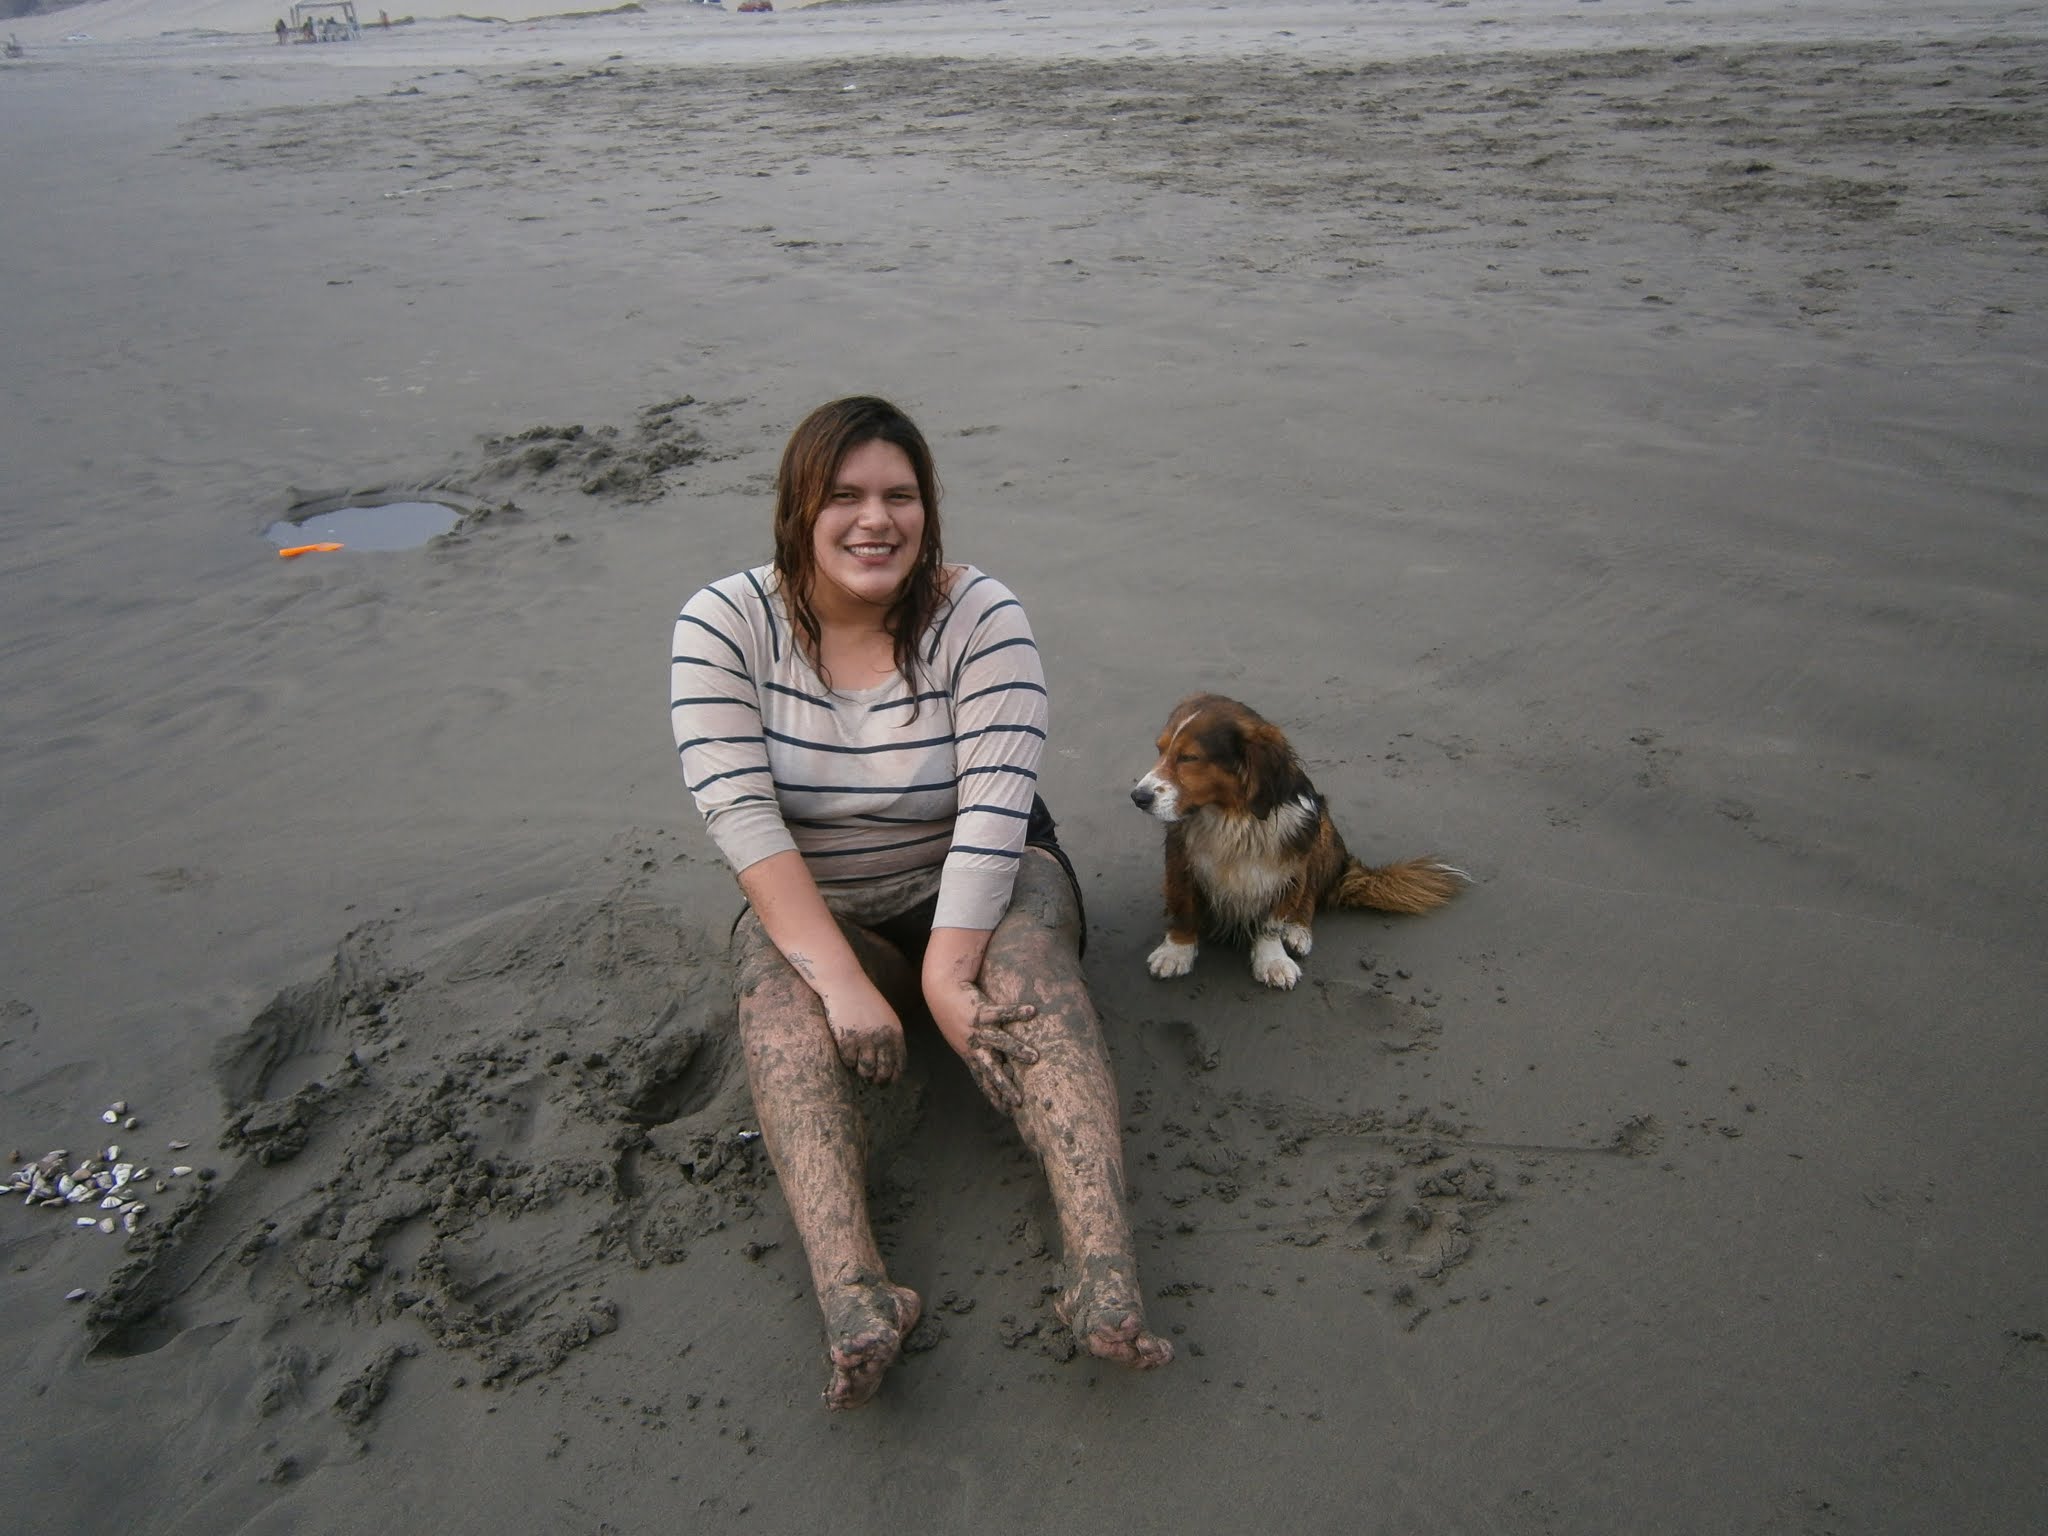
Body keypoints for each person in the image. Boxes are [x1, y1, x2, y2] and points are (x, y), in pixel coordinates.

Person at [670, 396, 1172, 1408]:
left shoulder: (978, 613)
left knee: (1028, 976)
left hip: (982, 882)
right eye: (844, 496)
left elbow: (995, 807)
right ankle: (855, 1295)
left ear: (927, 509)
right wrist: (843, 982)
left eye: (899, 495)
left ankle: (1101, 1274)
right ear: (795, 511)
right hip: (823, 903)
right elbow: (741, 818)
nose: (874, 520)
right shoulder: (723, 624)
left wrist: (948, 971)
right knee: (778, 1012)